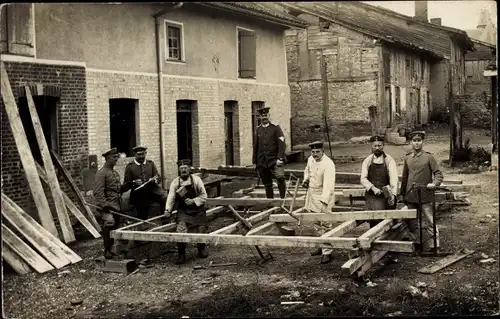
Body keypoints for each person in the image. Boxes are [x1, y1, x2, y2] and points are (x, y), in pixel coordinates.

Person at [399, 131, 444, 251]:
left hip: (425, 195)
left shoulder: (429, 157)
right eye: (414, 141)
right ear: (410, 142)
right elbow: (404, 178)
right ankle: (415, 243)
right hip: (411, 195)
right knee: (412, 222)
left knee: (430, 220)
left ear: (422, 142)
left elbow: (438, 174)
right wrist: (402, 194)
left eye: (419, 140)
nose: (417, 143)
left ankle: (434, 244)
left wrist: (434, 184)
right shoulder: (407, 158)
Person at [164, 159, 208, 264]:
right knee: (180, 230)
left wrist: (193, 201)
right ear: (179, 170)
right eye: (181, 168)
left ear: (189, 169)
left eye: (186, 168)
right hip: (183, 211)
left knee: (201, 229)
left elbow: (204, 196)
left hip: (198, 210)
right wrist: (167, 210)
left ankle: (201, 249)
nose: (184, 170)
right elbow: (171, 197)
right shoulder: (175, 182)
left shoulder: (197, 180)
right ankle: (181, 254)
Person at [302, 141, 336, 264]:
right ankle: (321, 246)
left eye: (317, 152)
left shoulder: (328, 164)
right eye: (313, 152)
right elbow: (307, 170)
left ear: (323, 151)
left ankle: (327, 252)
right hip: (312, 195)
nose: (315, 154)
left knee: (325, 224)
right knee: (316, 222)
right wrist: (305, 180)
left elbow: (328, 185)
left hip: (323, 195)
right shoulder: (311, 159)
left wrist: (324, 202)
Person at [360, 135, 399, 227]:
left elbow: (394, 179)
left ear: (383, 146)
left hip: (385, 195)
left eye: (379, 145)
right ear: (371, 146)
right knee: (373, 219)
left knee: (385, 221)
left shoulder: (389, 160)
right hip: (372, 195)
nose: (377, 148)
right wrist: (373, 188)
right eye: (375, 146)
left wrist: (392, 195)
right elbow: (363, 179)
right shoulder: (367, 160)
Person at [93, 148, 123, 259]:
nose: (116, 159)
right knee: (109, 224)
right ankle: (107, 250)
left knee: (115, 226)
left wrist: (129, 185)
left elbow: (118, 189)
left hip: (116, 205)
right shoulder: (101, 173)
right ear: (108, 158)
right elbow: (98, 192)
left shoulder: (114, 172)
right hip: (107, 206)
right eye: (114, 157)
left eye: (116, 157)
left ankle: (113, 248)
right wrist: (104, 206)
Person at [122, 146, 168, 221]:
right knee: (141, 206)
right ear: (135, 154)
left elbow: (158, 177)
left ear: (146, 153)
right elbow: (126, 184)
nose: (141, 156)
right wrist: (134, 182)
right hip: (139, 191)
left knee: (165, 196)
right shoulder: (130, 166)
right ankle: (143, 221)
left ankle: (165, 218)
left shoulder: (150, 163)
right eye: (139, 154)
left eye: (142, 154)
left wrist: (154, 179)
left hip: (152, 189)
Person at [252, 106, 287, 199]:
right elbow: (255, 146)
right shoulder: (258, 129)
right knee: (267, 183)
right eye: (262, 116)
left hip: (274, 160)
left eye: (266, 115)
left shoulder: (275, 128)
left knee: (280, 177)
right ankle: (270, 203)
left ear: (269, 116)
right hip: (262, 161)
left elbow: (282, 143)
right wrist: (254, 161)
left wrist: (280, 158)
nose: (264, 118)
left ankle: (283, 200)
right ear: (260, 117)